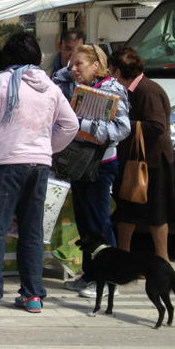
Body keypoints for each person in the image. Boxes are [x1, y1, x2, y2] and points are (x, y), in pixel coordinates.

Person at [0, 33, 78, 314]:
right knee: (32, 230)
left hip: (6, 162)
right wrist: (47, 148)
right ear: (36, 57)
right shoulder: (51, 87)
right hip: (39, 164)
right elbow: (71, 125)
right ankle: (32, 295)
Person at [58, 45, 131, 297]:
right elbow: (58, 78)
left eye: (79, 64)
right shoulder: (76, 86)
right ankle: (90, 275)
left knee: (100, 222)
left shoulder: (113, 90)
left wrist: (81, 124)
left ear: (96, 66)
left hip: (101, 165)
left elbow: (122, 129)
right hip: (80, 163)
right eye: (71, 64)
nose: (74, 69)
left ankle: (110, 279)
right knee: (85, 225)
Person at [110, 46, 175, 262]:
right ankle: (124, 258)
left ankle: (163, 261)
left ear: (118, 72)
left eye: (112, 70)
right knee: (126, 212)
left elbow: (157, 125)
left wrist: (124, 124)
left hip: (152, 162)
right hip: (133, 160)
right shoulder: (128, 91)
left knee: (156, 215)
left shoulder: (147, 90)